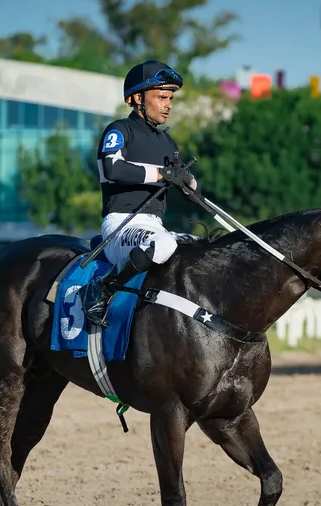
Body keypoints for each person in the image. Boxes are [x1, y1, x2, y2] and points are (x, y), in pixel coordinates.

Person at [80, 59, 202, 327]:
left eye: (170, 98)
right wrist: (163, 174)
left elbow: (190, 192)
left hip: (154, 226)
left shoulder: (167, 141)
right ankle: (101, 289)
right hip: (120, 226)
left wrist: (188, 181)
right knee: (163, 244)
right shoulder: (119, 130)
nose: (168, 104)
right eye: (161, 97)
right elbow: (114, 169)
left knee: (203, 248)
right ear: (137, 97)